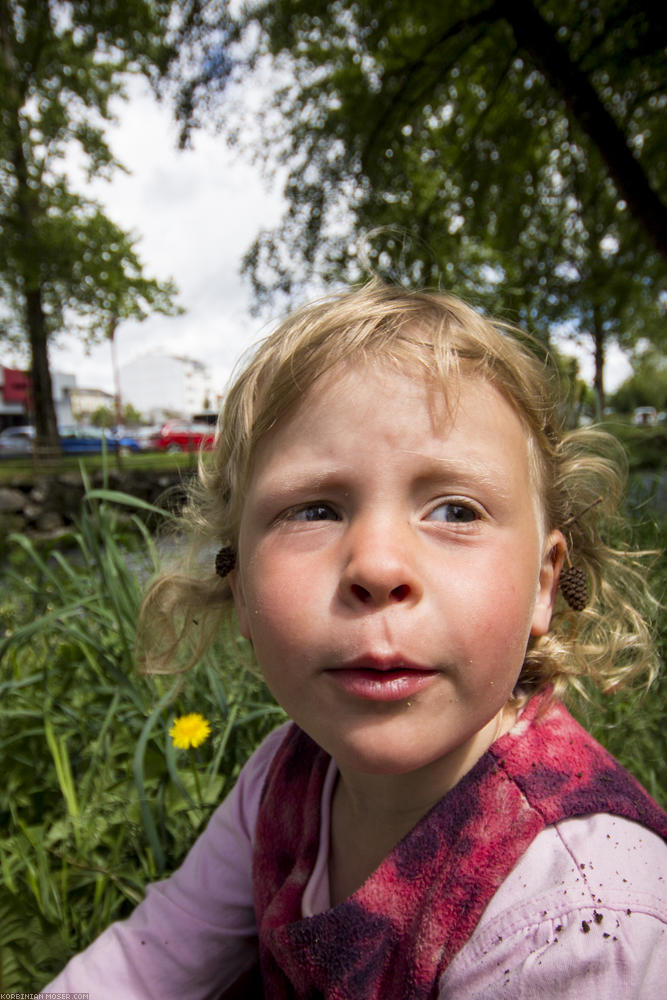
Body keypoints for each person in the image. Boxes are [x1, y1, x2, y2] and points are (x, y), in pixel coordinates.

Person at [42, 283, 666, 998]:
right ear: (238, 584)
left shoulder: (579, 919)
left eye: (454, 509)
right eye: (314, 509)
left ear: (542, 584)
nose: (376, 567)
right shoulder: (284, 775)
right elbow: (144, 968)